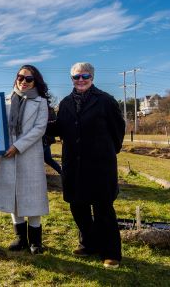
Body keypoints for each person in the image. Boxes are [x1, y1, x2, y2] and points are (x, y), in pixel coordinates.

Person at [49, 62, 125, 269]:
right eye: (76, 77)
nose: (80, 80)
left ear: (92, 77)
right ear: (71, 79)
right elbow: (60, 128)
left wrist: (108, 152)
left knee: (103, 209)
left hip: (100, 165)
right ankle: (89, 244)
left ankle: (111, 253)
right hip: (74, 164)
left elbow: (118, 130)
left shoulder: (105, 101)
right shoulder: (64, 104)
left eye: (85, 76)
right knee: (78, 206)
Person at [0, 64, 50, 254]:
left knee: (33, 198)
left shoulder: (40, 102)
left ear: (35, 82)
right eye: (20, 77)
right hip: (7, 155)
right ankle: (20, 238)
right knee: (12, 197)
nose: (23, 82)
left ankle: (35, 241)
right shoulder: (5, 101)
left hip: (28, 155)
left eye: (28, 79)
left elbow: (39, 129)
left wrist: (18, 146)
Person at [43, 106, 62, 174]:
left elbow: (56, 124)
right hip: (47, 140)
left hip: (44, 140)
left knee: (40, 160)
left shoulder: (48, 109)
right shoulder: (50, 109)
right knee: (48, 159)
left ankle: (62, 172)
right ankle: (62, 172)